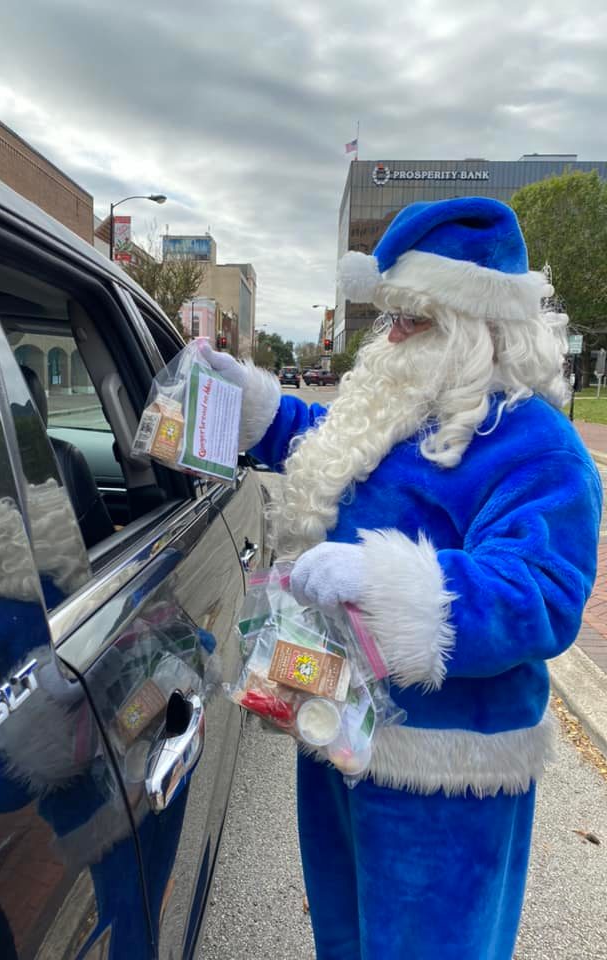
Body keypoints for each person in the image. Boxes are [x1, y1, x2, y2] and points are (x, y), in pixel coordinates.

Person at [203, 197, 602, 959]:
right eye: (389, 319)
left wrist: (391, 585)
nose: (389, 339)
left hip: (444, 771)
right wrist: (249, 406)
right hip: (341, 727)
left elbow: (542, 595)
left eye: (410, 322)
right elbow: (329, 439)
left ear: (477, 328)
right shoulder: (405, 406)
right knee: (346, 936)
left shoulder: (537, 446)